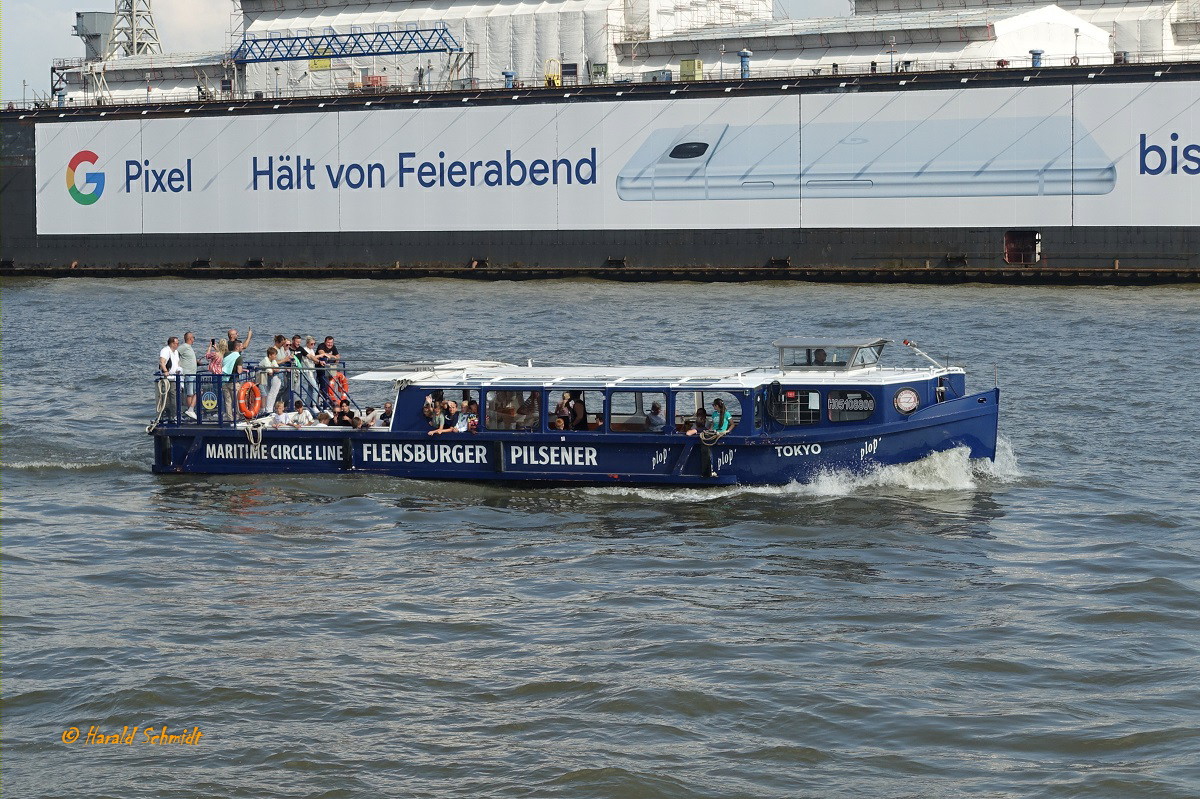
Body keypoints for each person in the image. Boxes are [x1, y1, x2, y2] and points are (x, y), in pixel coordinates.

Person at [158, 336, 183, 419]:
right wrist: (165, 372)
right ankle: (172, 415)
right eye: (177, 343)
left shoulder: (176, 352)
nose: (178, 345)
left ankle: (176, 414)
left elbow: (177, 363)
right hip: (169, 379)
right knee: (171, 397)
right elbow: (162, 362)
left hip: (176, 377)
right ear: (172, 343)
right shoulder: (165, 350)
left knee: (176, 396)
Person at [222, 340, 247, 420]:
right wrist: (243, 370)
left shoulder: (226, 354)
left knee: (227, 401)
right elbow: (239, 371)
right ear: (237, 347)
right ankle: (238, 417)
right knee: (236, 401)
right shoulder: (239, 357)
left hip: (224, 380)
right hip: (234, 381)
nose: (242, 347)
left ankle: (230, 418)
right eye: (241, 346)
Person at [178, 332, 199, 420]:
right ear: (190, 338)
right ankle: (190, 411)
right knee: (190, 393)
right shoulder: (184, 347)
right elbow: (175, 353)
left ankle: (191, 410)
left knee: (196, 392)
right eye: (193, 337)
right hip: (188, 373)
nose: (194, 339)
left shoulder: (189, 348)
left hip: (193, 373)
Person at [258, 346, 284, 417]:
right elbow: (270, 372)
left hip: (264, 376)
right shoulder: (266, 360)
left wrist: (273, 369)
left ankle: (266, 409)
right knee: (264, 393)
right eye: (274, 355)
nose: (276, 356)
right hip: (260, 375)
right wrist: (273, 369)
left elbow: (277, 368)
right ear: (270, 355)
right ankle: (263, 410)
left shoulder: (273, 360)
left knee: (266, 392)